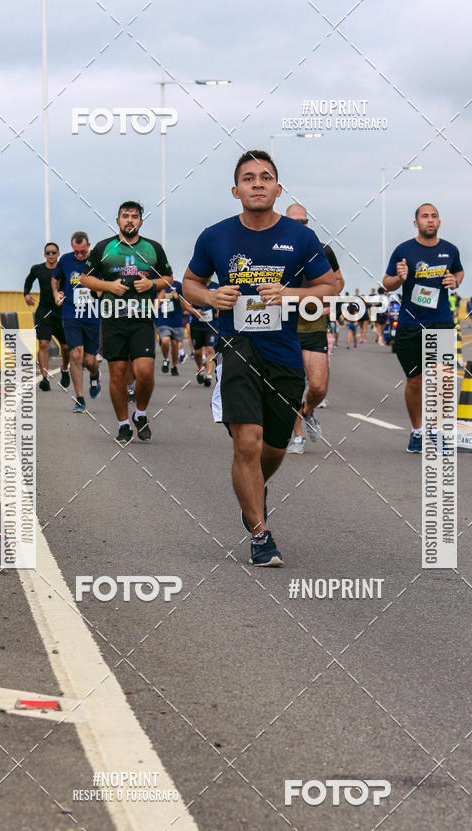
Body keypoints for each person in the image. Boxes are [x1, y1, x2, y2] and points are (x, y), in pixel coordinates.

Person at [182, 150, 336, 566]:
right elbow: (190, 283)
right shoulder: (216, 236)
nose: (257, 183)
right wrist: (211, 295)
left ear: (277, 188)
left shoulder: (300, 238)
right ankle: (260, 535)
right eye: (248, 178)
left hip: (283, 352)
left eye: (265, 177)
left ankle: (251, 491)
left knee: (274, 450)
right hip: (237, 348)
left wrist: (291, 294)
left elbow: (327, 287)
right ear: (236, 190)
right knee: (246, 444)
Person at [81, 201, 173, 442]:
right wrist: (108, 285)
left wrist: (151, 284)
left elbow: (169, 278)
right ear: (118, 220)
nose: (130, 220)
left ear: (141, 221)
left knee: (144, 372)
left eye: (134, 216)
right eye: (125, 216)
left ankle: (140, 414)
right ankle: (123, 423)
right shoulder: (104, 248)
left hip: (142, 318)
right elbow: (85, 279)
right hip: (113, 318)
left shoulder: (153, 248)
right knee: (118, 373)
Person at [383, 202, 464, 453]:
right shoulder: (403, 250)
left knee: (443, 378)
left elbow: (459, 272)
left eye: (434, 216)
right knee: (416, 381)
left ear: (439, 222)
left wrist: (455, 281)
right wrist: (400, 278)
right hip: (410, 324)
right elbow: (387, 283)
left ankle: (438, 431)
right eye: (425, 216)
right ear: (416, 222)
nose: (430, 220)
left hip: (441, 321)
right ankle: (418, 431)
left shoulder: (450, 250)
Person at [284, 203, 344, 454]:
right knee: (294, 385)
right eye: (295, 222)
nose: (301, 226)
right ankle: (297, 435)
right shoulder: (275, 250)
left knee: (318, 387)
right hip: (284, 327)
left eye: (305, 222)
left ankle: (307, 412)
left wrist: (329, 299)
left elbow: (338, 281)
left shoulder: (322, 250)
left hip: (314, 326)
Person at [51, 232, 101, 413]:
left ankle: (95, 375)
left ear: (89, 244)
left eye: (83, 251)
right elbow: (55, 279)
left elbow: (107, 283)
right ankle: (80, 398)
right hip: (71, 313)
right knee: (75, 355)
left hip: (92, 314)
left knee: (89, 360)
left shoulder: (98, 259)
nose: (79, 255)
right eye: (76, 251)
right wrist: (56, 293)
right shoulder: (65, 260)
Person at [24, 242, 70, 390]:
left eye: (53, 252)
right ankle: (44, 379)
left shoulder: (64, 269)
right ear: (44, 255)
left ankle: (64, 369)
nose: (51, 255)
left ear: (58, 254)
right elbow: (28, 280)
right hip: (44, 311)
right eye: (48, 253)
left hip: (61, 311)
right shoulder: (38, 269)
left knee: (66, 346)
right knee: (43, 344)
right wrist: (26, 295)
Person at [181, 280, 218, 387]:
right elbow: (183, 303)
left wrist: (220, 310)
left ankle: (209, 375)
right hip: (197, 325)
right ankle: (201, 368)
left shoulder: (216, 286)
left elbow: (222, 300)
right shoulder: (192, 286)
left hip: (212, 325)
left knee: (210, 349)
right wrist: (194, 311)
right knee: (197, 353)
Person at [156, 279, 184, 376]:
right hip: (163, 319)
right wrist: (160, 299)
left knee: (175, 343)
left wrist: (178, 297)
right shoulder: (159, 286)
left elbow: (185, 302)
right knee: (165, 340)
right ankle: (165, 359)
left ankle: (174, 366)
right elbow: (154, 304)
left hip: (176, 320)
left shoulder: (178, 285)